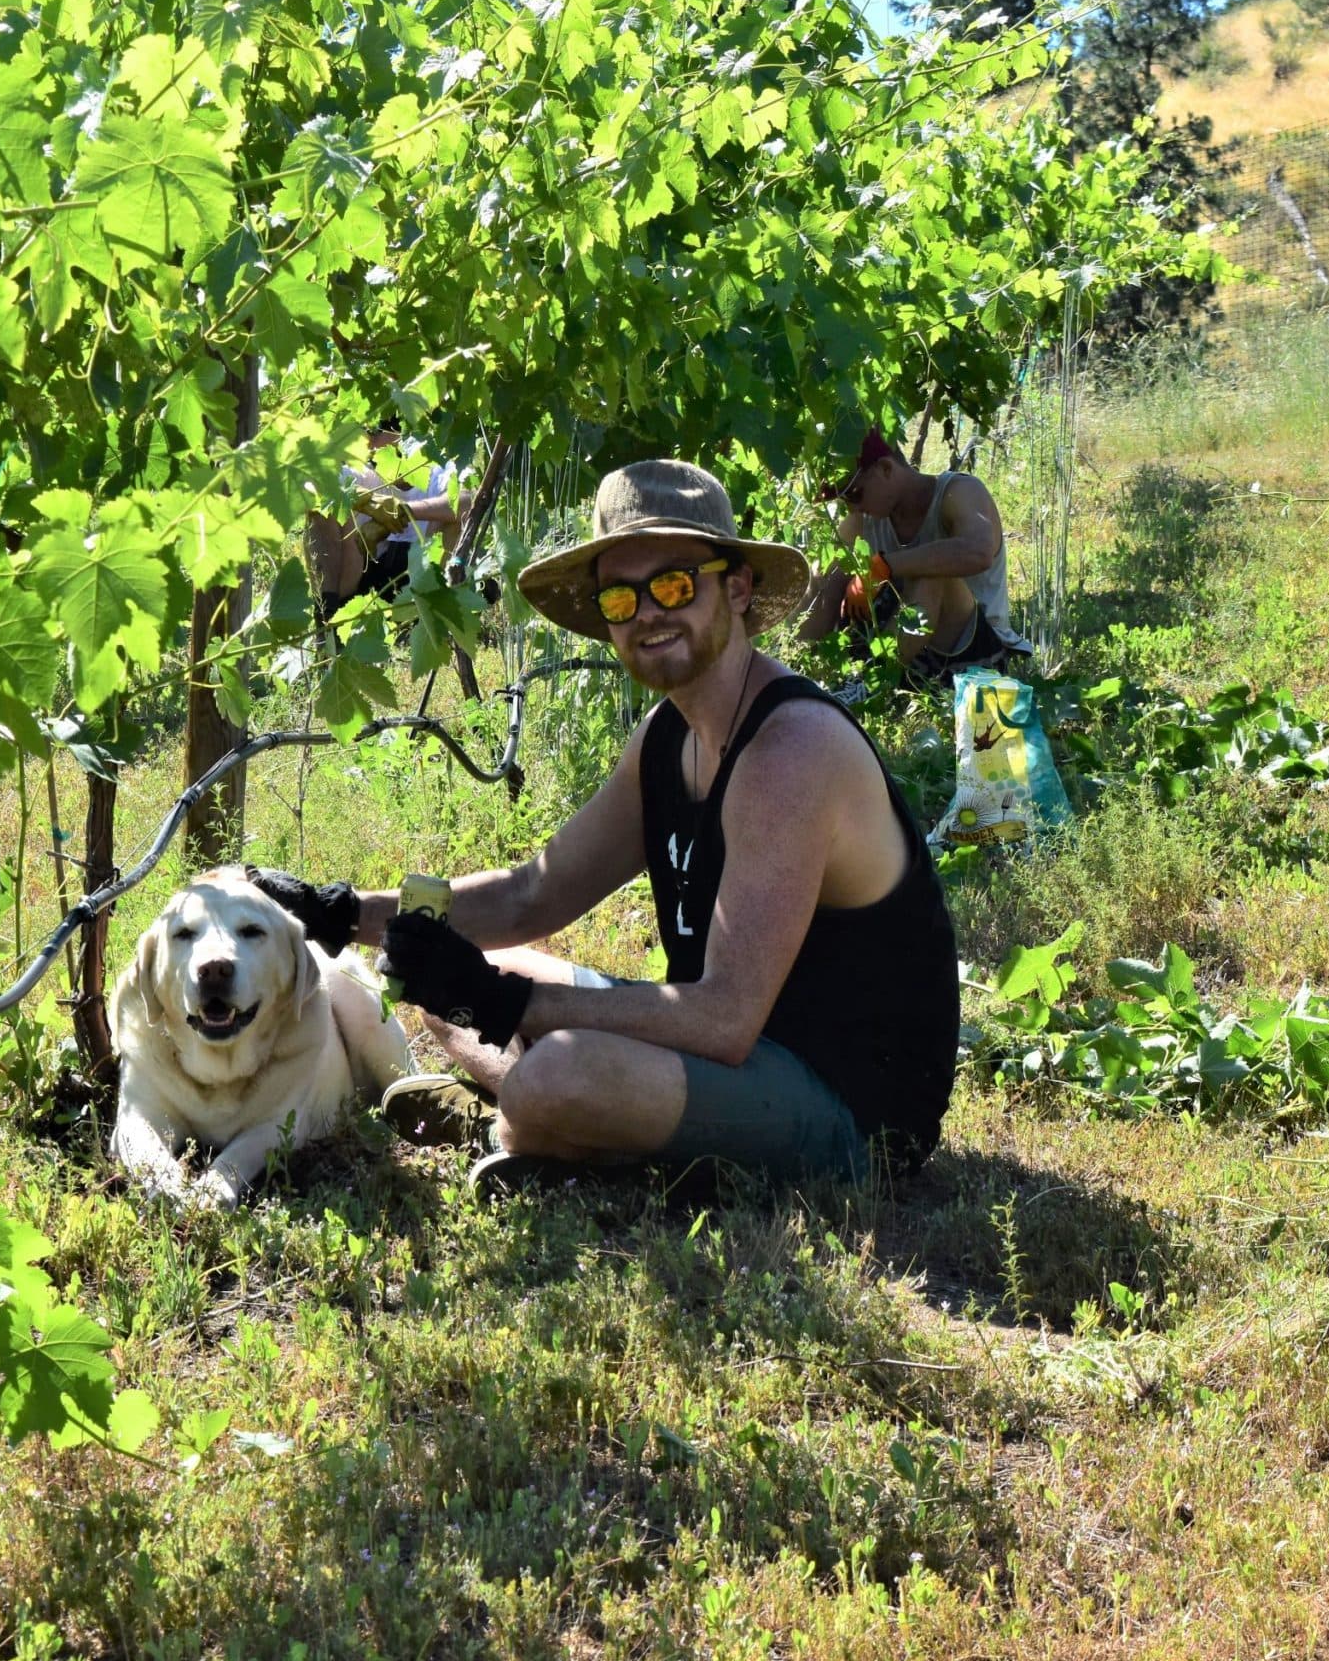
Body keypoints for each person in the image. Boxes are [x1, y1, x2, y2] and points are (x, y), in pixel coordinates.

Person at [252, 458, 961, 1195]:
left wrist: (507, 1007)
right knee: (446, 979)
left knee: (551, 1063)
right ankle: (549, 1128)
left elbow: (724, 1018)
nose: (648, 611)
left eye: (675, 584)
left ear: (739, 588)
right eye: (622, 598)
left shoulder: (790, 751)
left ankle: (542, 1126)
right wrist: (339, 913)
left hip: (851, 1108)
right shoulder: (669, 736)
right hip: (727, 1062)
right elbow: (535, 893)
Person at [796, 429, 1022, 687]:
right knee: (829, 565)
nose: (852, 507)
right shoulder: (865, 518)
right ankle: (800, 674)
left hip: (976, 661)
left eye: (854, 494)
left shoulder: (960, 491)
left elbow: (978, 552)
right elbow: (822, 580)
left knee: (931, 573)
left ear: (886, 469)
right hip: (913, 657)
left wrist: (885, 566)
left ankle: (870, 688)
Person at [306, 427, 468, 620]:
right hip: (363, 582)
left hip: (422, 582)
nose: (368, 443)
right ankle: (327, 617)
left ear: (401, 432)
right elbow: (311, 485)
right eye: (366, 434)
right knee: (321, 510)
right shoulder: (364, 474)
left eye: (375, 434)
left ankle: (435, 620)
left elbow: (469, 501)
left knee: (456, 521)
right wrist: (369, 504)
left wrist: (403, 512)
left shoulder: (439, 469)